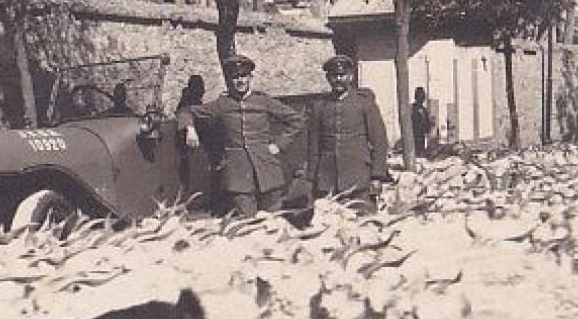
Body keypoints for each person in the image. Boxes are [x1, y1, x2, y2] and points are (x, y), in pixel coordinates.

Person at [179, 53, 302, 216]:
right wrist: (190, 128)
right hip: (238, 175)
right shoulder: (222, 104)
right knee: (247, 222)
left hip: (267, 170)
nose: (240, 81)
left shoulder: (263, 101)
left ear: (250, 77)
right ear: (229, 80)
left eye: (244, 76)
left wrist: (279, 144)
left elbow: (297, 120)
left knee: (274, 220)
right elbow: (185, 111)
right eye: (235, 77)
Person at [300, 54, 392, 200]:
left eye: (342, 75)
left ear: (351, 77)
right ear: (328, 78)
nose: (338, 79)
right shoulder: (320, 107)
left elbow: (379, 142)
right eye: (334, 76)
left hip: (359, 178)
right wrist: (311, 177)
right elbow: (313, 146)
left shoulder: (364, 104)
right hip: (327, 180)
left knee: (363, 220)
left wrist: (377, 176)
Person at [410, 87, 433, 158]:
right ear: (416, 97)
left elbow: (427, 121)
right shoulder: (412, 109)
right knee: (416, 153)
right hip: (415, 136)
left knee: (421, 152)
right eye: (420, 96)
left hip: (422, 135)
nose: (422, 99)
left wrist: (429, 127)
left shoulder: (424, 110)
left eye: (423, 96)